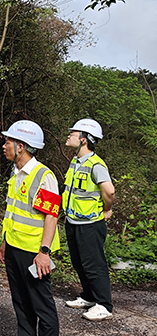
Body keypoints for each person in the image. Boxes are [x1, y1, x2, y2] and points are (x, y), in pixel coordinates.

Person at [0, 120, 61, 336]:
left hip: (35, 252)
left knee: (42, 306)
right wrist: (5, 241)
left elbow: (51, 216)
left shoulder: (44, 176)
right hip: (15, 247)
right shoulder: (15, 172)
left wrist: (44, 252)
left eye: (8, 141)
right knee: (21, 305)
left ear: (21, 146)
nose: (4, 145)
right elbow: (13, 212)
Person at [63, 118, 116, 321]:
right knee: (79, 262)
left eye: (73, 133)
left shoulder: (96, 164)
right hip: (73, 221)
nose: (69, 135)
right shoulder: (76, 161)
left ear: (84, 139)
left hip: (90, 224)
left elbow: (109, 192)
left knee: (94, 265)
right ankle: (89, 296)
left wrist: (107, 210)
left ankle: (104, 305)